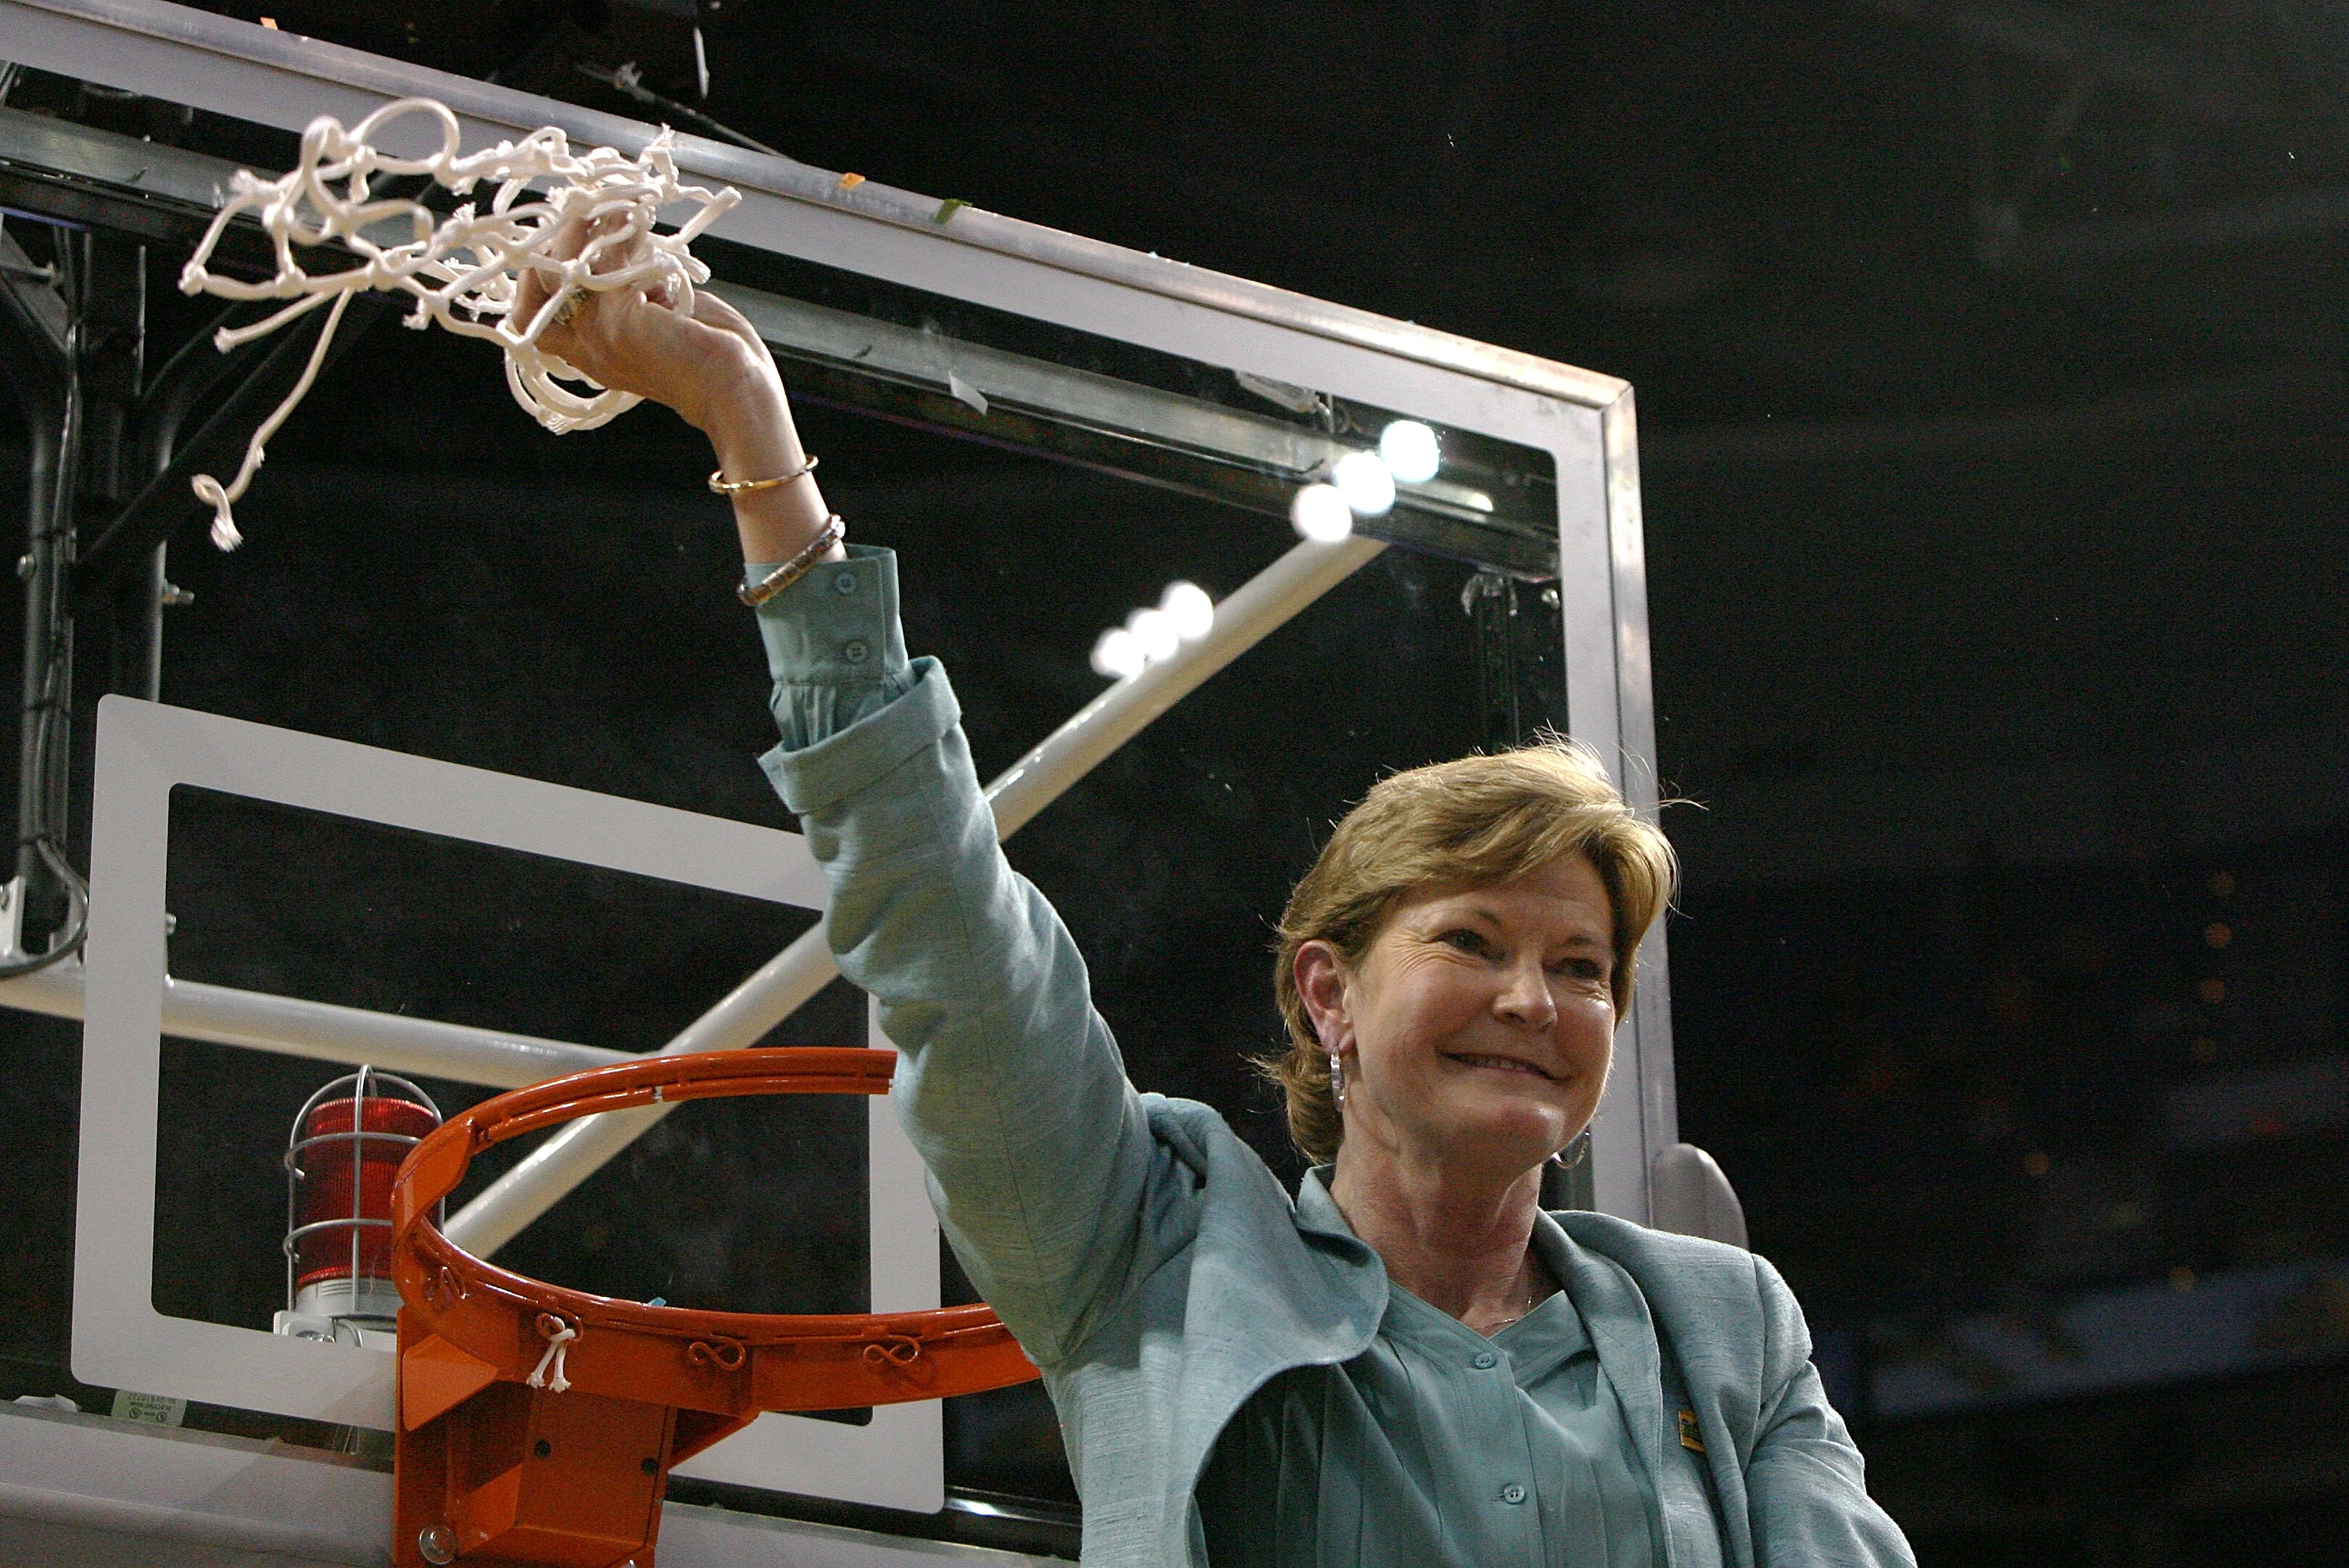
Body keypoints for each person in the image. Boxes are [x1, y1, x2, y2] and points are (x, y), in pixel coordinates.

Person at [522, 256, 1915, 1568]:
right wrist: (763, 455)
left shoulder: (1726, 1326)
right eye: (1472, 942)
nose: (1533, 1002)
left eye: (1583, 965)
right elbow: (956, 936)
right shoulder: (1146, 1252)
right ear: (1328, 996)